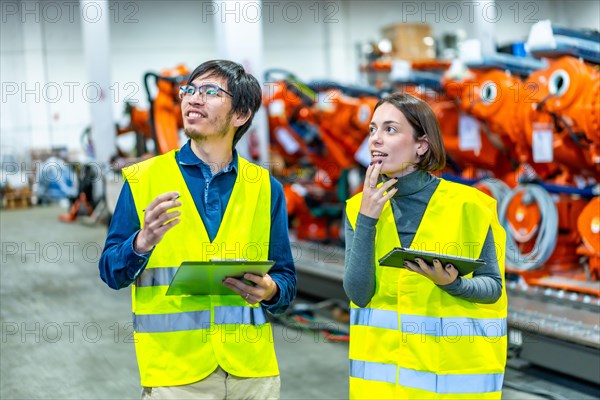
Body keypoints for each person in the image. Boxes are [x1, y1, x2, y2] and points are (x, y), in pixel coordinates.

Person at [99, 60, 296, 399]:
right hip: (176, 374)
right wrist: (142, 242)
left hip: (251, 372)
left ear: (241, 114)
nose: (193, 99)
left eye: (210, 92)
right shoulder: (144, 180)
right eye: (189, 90)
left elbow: (285, 279)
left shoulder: (265, 187)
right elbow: (111, 272)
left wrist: (271, 291)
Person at [343, 93, 507, 399]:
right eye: (372, 130)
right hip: (382, 388)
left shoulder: (470, 206)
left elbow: (493, 288)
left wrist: (454, 284)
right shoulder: (357, 209)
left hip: (449, 383)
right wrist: (367, 221)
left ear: (421, 145)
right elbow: (358, 294)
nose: (376, 140)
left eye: (390, 130)